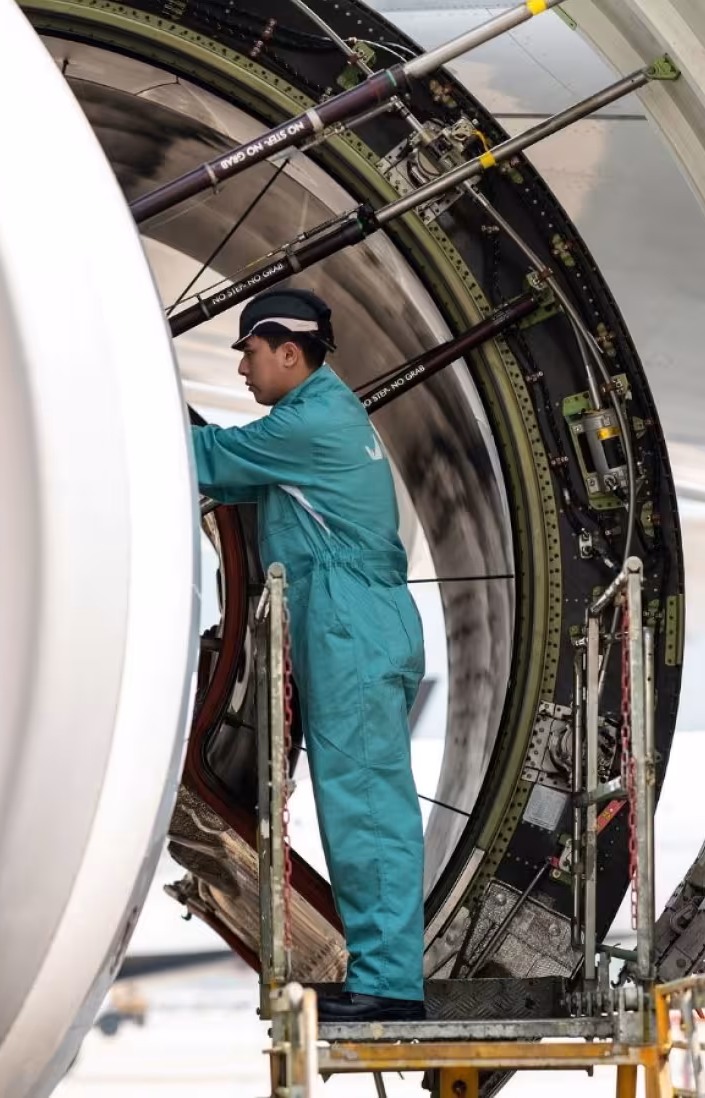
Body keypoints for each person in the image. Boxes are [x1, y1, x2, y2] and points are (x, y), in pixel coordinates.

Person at [191, 287, 429, 1022]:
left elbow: (208, 457)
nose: (242, 370)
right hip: (354, 622)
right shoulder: (317, 414)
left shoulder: (312, 422)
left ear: (289, 353)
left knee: (364, 808)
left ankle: (389, 987)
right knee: (361, 804)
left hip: (350, 625)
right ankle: (384, 976)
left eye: (251, 354)